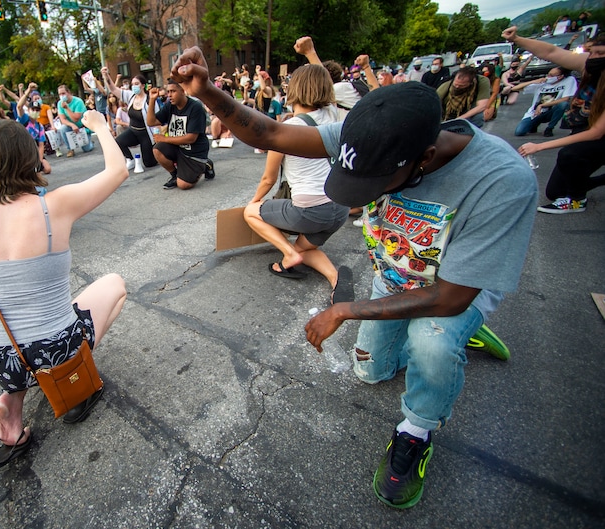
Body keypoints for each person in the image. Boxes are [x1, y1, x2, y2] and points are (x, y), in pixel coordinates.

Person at [167, 45, 537, 509]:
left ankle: (416, 431)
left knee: (434, 340)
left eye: (372, 186)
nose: (361, 199)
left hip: (453, 289)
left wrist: (344, 308)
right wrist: (208, 94)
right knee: (371, 371)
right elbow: (273, 133)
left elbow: (450, 295)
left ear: (423, 158)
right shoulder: (375, 132)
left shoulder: (501, 181)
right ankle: (453, 334)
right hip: (396, 276)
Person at [0, 111, 128, 470]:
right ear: (30, 157)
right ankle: (75, 383)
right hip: (52, 349)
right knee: (114, 285)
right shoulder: (53, 205)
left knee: (21, 334)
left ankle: (12, 404)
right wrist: (97, 127)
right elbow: (118, 170)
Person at [243, 64, 349, 299]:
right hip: (340, 209)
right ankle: (335, 279)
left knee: (250, 212)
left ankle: (288, 255)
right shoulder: (334, 116)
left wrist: (255, 203)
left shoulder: (287, 129)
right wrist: (311, 53)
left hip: (310, 212)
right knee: (304, 248)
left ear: (294, 89)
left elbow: (268, 178)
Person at [504, 27, 605, 214]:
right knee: (554, 192)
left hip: (600, 136)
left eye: (600, 54)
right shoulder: (587, 64)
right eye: (591, 52)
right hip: (584, 127)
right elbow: (552, 52)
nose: (593, 57)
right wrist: (517, 38)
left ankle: (577, 201)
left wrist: (540, 146)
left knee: (569, 154)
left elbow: (596, 133)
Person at [146, 80, 214, 190]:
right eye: (168, 92)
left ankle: (205, 164)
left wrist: (164, 139)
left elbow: (191, 138)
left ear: (183, 91)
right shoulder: (170, 106)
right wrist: (152, 100)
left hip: (194, 152)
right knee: (157, 149)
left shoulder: (195, 107)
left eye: (173, 91)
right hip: (177, 147)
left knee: (183, 185)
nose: (169, 95)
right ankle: (175, 175)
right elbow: (151, 122)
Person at [101, 68, 158, 171]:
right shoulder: (131, 96)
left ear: (142, 85)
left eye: (136, 83)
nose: (134, 86)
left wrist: (157, 136)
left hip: (146, 134)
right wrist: (106, 76)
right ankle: (130, 159)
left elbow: (157, 119)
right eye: (133, 84)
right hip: (133, 131)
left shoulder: (150, 100)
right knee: (118, 141)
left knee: (149, 163)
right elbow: (113, 89)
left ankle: (157, 155)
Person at [510, 67, 577, 137]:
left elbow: (565, 99)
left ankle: (549, 128)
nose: (548, 77)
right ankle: (534, 124)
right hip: (535, 113)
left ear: (560, 77)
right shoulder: (542, 82)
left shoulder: (569, 80)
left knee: (563, 104)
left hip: (550, 111)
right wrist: (533, 81)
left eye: (551, 75)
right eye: (548, 74)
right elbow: (515, 88)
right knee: (519, 132)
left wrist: (542, 105)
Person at [17, 83, 52, 174]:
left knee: (47, 169)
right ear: (28, 110)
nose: (35, 112)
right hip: (20, 149)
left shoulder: (39, 126)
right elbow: (19, 106)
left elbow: (41, 145)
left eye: (37, 110)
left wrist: (39, 161)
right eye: (33, 109)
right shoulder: (24, 119)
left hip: (33, 151)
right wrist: (28, 91)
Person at [56, 84, 95, 157]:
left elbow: (76, 118)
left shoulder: (78, 101)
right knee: (63, 128)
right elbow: (62, 119)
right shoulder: (59, 103)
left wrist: (67, 108)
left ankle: (90, 143)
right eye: (60, 94)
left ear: (68, 92)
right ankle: (70, 149)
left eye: (63, 93)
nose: (61, 96)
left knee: (87, 149)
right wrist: (72, 125)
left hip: (82, 126)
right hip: (72, 126)